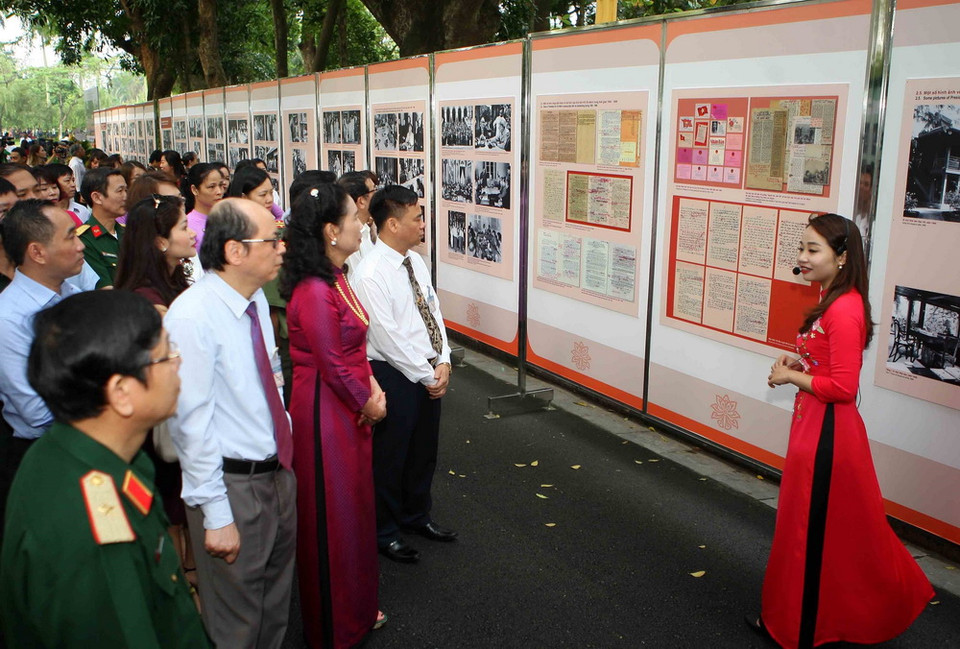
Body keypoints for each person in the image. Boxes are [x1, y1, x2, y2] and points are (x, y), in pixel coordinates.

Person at [753, 213, 933, 648]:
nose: (802, 257)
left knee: (809, 532)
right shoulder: (833, 298)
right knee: (814, 530)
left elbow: (843, 388)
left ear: (842, 257)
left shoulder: (845, 308)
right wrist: (799, 364)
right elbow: (827, 364)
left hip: (828, 434)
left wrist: (790, 376)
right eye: (801, 247)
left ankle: (801, 629)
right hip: (815, 427)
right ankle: (797, 621)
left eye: (812, 249)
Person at [0, 290, 211, 648]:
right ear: (121, 393)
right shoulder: (95, 529)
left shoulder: (74, 451)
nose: (178, 364)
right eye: (166, 355)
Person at [165, 198, 297, 649]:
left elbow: (268, 382)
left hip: (276, 473)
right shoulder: (192, 316)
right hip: (231, 486)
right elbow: (191, 425)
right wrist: (217, 514)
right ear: (235, 251)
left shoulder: (254, 300)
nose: (282, 247)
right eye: (272, 240)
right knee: (236, 623)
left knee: (274, 607)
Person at [281, 183, 387, 647]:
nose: (362, 223)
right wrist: (368, 401)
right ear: (330, 230)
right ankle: (334, 627)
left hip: (346, 407)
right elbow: (331, 362)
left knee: (355, 514)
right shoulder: (313, 289)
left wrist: (372, 385)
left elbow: (354, 349)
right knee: (333, 521)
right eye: (354, 217)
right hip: (326, 415)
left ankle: (357, 612)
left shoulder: (336, 276)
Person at [353, 185, 457, 563]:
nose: (423, 224)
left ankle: (417, 516)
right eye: (417, 218)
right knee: (391, 456)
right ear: (393, 224)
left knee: (423, 451)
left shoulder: (415, 261)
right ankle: (385, 531)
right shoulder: (370, 274)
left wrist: (443, 358)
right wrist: (428, 374)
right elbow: (387, 337)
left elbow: (433, 312)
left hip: (426, 368)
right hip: (393, 373)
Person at [115, 194, 200, 594]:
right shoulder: (148, 301)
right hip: (165, 424)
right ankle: (185, 588)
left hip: (183, 414)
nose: (192, 233)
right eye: (183, 226)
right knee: (173, 511)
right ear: (161, 241)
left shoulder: (174, 282)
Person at [0, 200, 86, 529]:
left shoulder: (72, 295)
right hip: (46, 456)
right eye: (70, 237)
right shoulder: (9, 318)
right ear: (37, 252)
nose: (81, 245)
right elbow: (35, 413)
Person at [78, 168, 128, 287]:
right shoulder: (84, 240)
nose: (125, 196)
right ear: (97, 197)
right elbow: (105, 288)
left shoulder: (128, 232)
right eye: (120, 191)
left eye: (126, 190)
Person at [337, 171, 377, 279]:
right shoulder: (348, 238)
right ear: (361, 201)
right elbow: (358, 280)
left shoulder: (365, 230)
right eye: (374, 190)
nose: (377, 195)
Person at [185, 162, 224, 250]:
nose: (219, 192)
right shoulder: (187, 225)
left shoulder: (228, 218)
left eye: (221, 185)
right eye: (211, 187)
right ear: (195, 190)